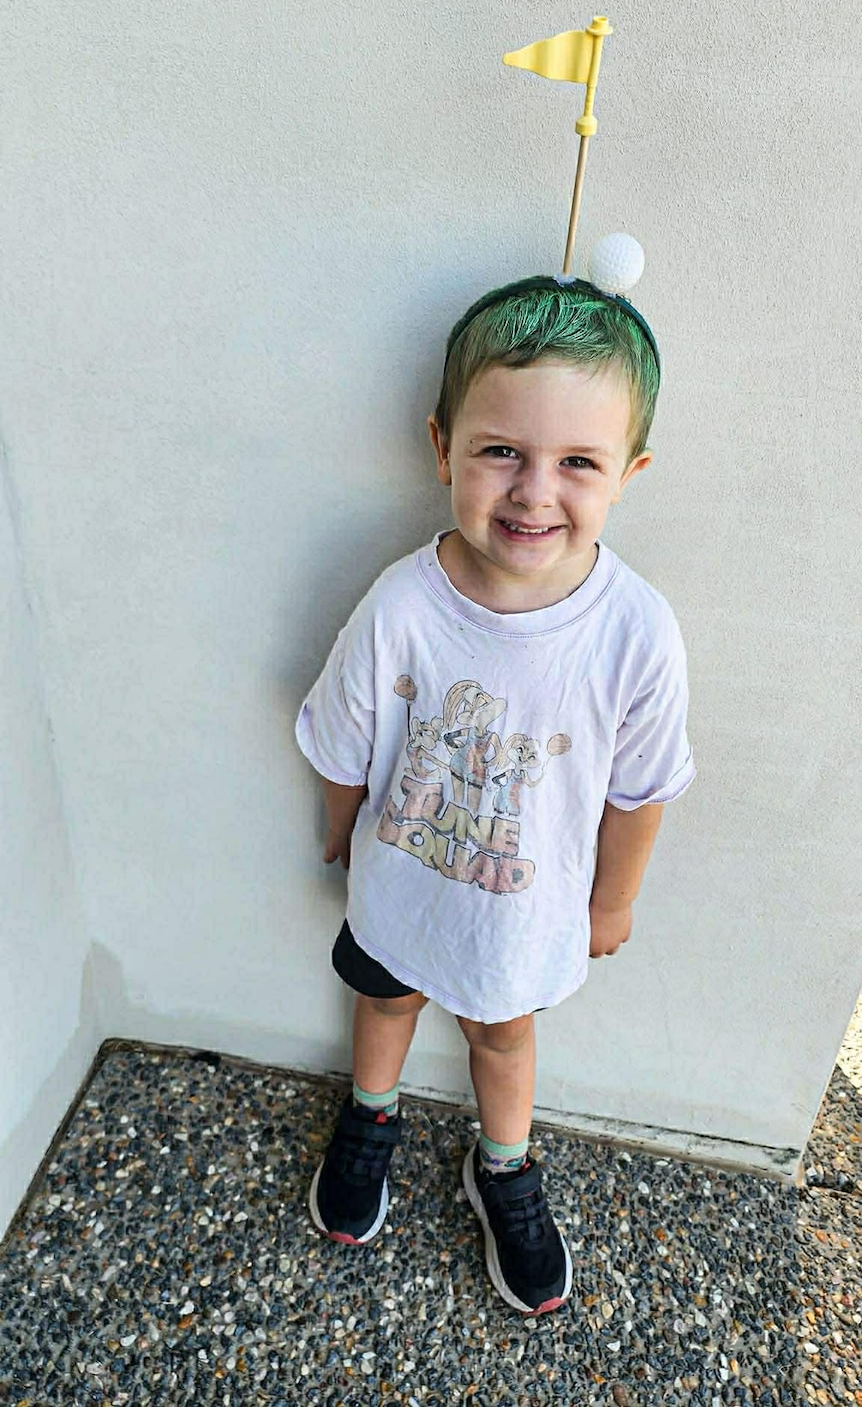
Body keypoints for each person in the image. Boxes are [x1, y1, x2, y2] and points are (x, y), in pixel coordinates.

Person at [295, 276, 695, 1315]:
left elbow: (641, 787)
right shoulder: (401, 604)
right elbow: (344, 746)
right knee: (382, 999)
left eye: (577, 463)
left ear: (628, 474)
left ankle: (502, 1166)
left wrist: (613, 903)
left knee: (503, 1037)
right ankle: (370, 1116)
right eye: (499, 451)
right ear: (442, 448)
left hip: (523, 914)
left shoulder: (634, 633)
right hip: (397, 886)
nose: (532, 492)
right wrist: (340, 837)